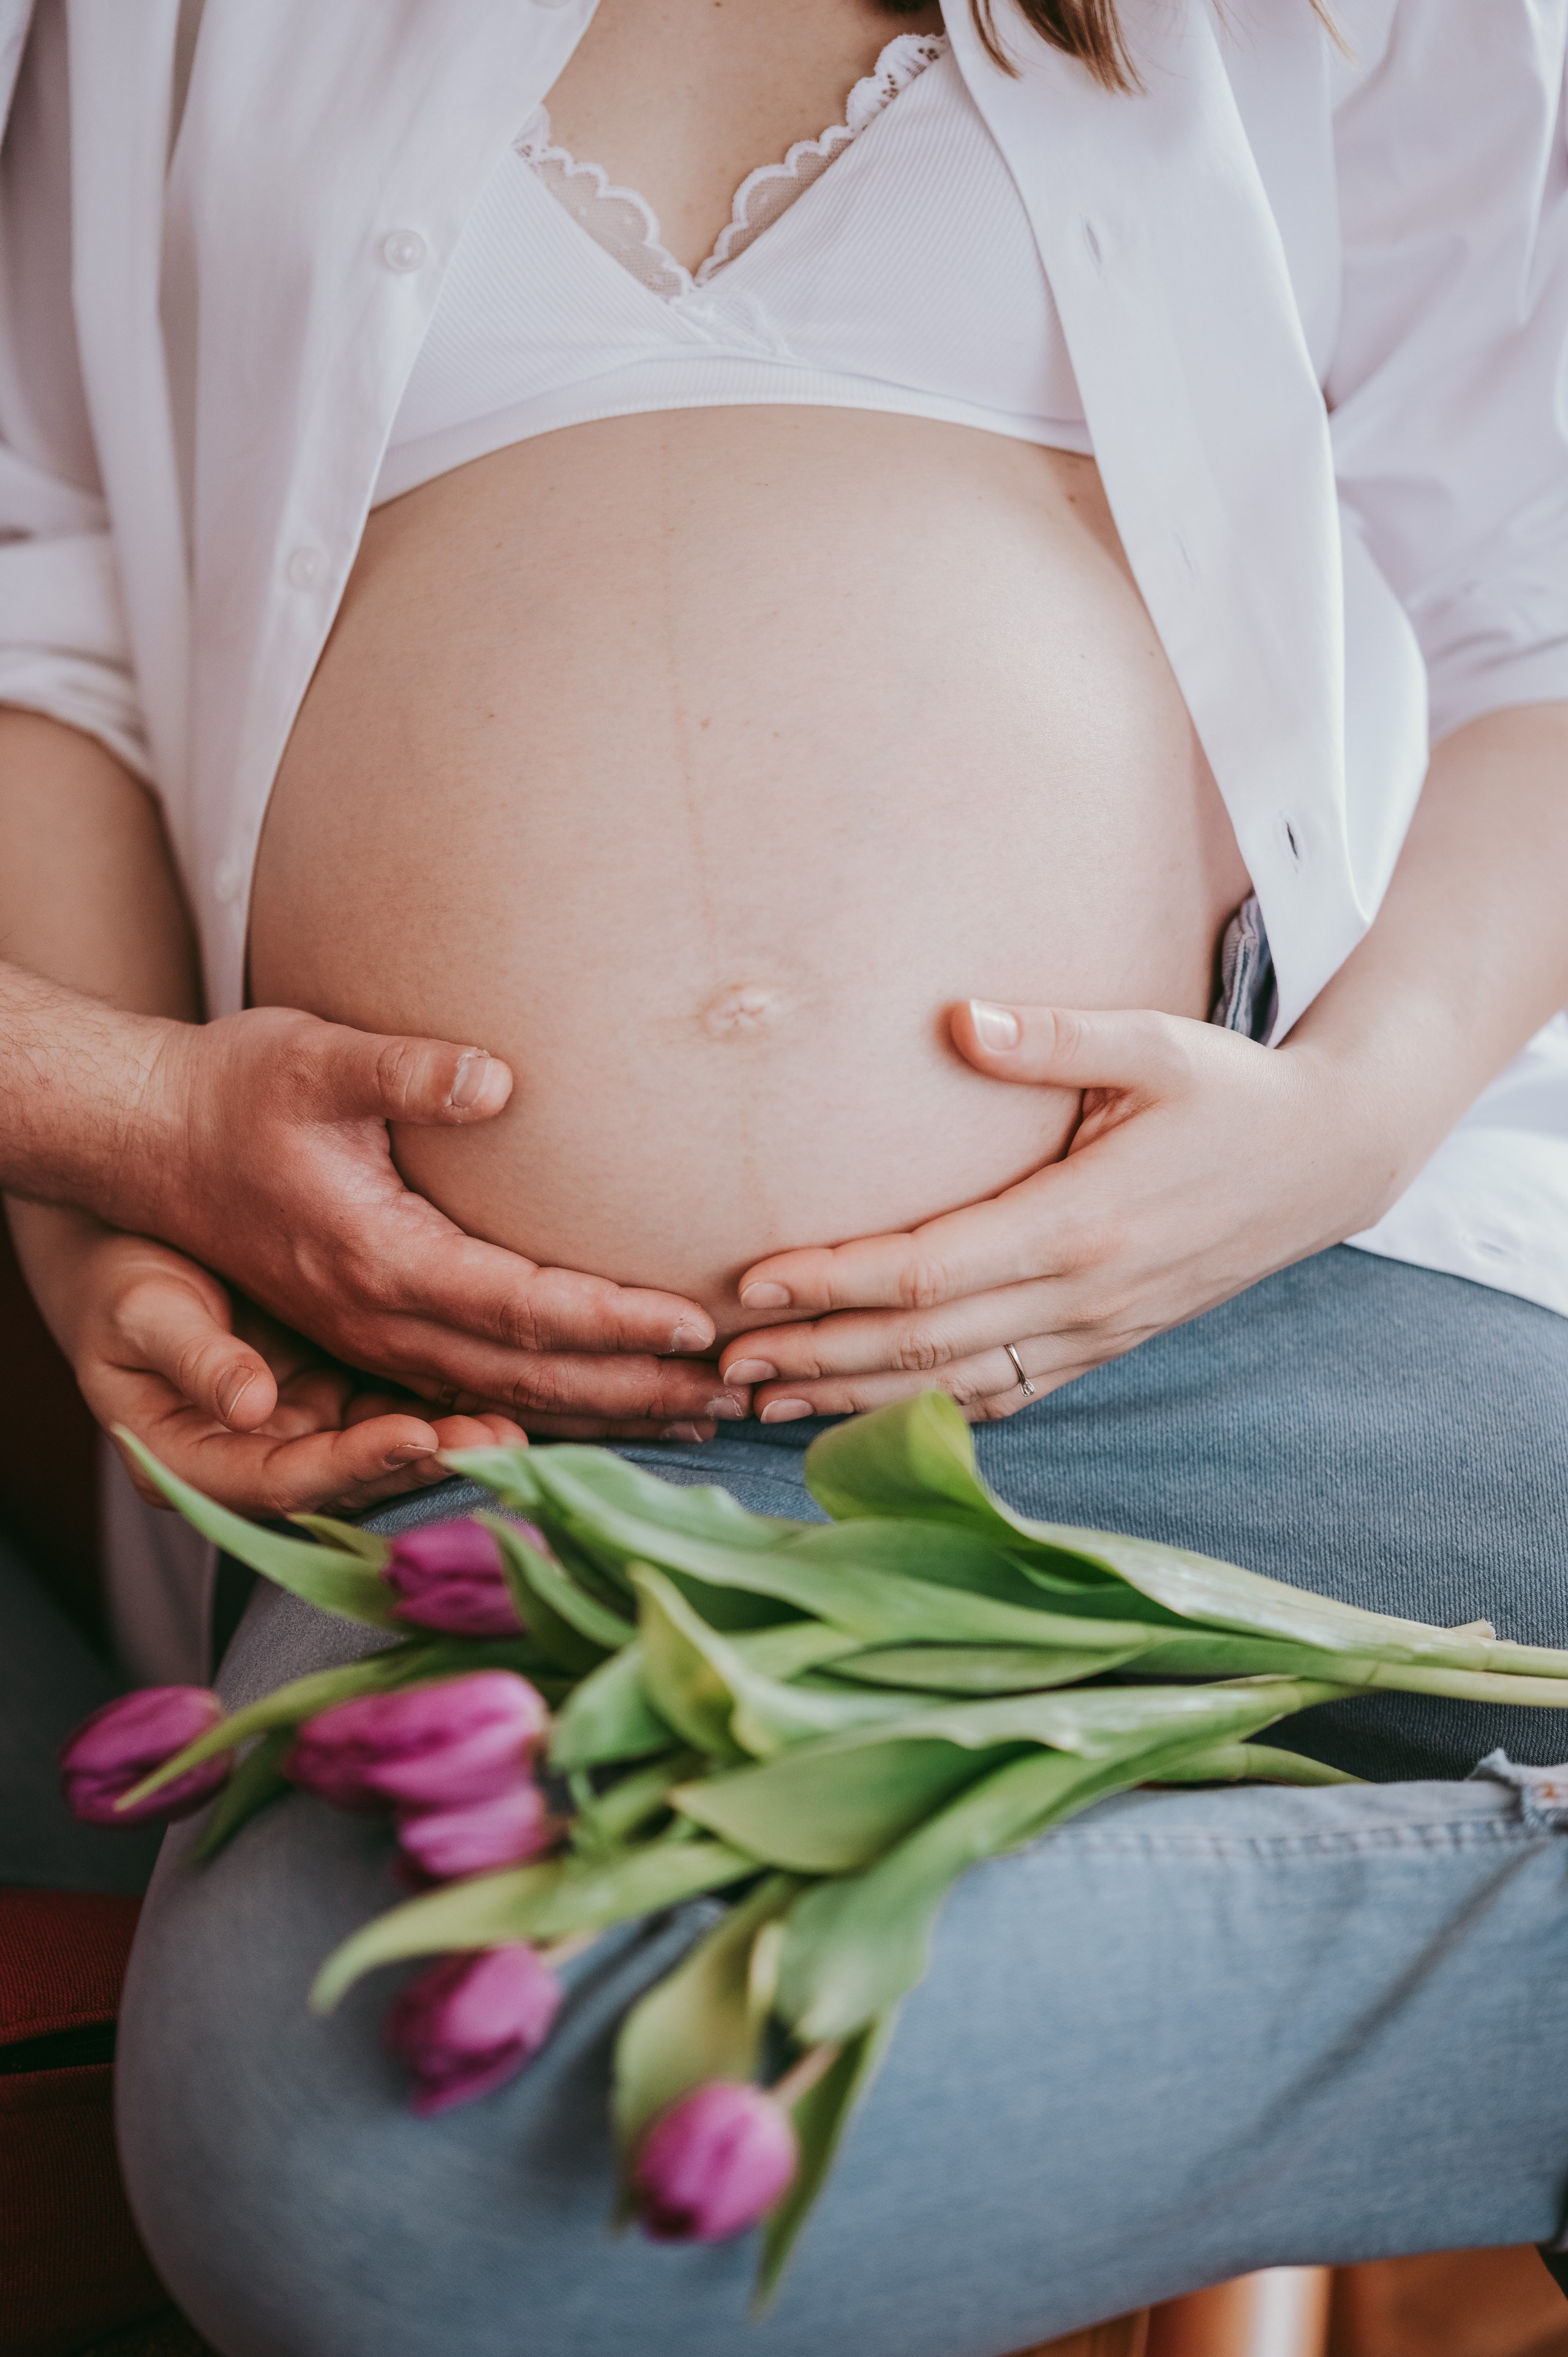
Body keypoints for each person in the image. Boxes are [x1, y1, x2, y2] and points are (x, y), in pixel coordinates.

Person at [6, 0, 1568, 2347]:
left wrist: (1344, 1127)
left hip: (1261, 1318)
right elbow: (51, 629)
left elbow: (1544, 624)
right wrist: (113, 1193)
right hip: (528, 1452)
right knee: (359, 2190)